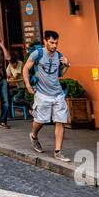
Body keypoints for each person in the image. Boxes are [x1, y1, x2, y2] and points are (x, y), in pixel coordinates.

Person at [25, 29, 71, 161]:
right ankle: (33, 135)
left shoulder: (59, 55)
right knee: (40, 120)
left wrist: (66, 65)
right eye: (51, 43)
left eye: (56, 43)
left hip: (58, 94)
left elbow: (59, 74)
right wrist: (28, 85)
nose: (55, 46)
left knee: (60, 121)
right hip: (42, 93)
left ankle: (58, 151)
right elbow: (26, 69)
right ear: (45, 41)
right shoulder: (37, 54)